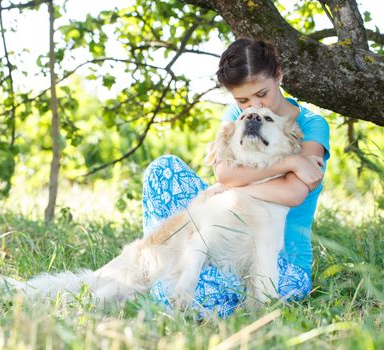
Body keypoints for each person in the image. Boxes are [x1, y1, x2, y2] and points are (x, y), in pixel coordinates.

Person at [141, 38, 330, 318]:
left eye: (262, 94)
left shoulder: (312, 125)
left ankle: (168, 286)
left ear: (278, 74)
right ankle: (157, 265)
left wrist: (229, 189)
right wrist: (291, 162)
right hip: (225, 236)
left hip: (282, 260)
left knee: (211, 295)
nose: (253, 107)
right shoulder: (237, 115)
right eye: (243, 100)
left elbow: (293, 193)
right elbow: (224, 172)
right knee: (163, 168)